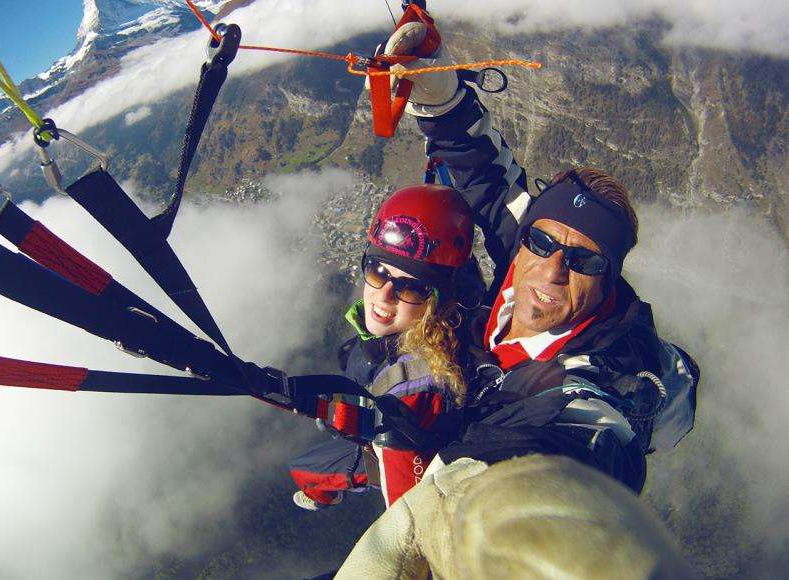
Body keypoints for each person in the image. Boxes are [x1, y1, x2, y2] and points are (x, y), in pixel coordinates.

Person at [378, 16, 698, 492]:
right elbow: (489, 179)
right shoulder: (528, 249)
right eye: (542, 243)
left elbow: (589, 438)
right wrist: (439, 95)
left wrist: (479, 480)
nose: (552, 270)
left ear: (609, 277)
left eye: (584, 261)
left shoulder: (604, 375)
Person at [288, 183, 482, 510]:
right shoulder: (464, 299)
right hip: (386, 394)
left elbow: (408, 518)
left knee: (306, 471)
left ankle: (324, 491)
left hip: (404, 438)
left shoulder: (412, 392)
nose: (385, 294)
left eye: (412, 288)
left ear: (442, 300)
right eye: (377, 271)